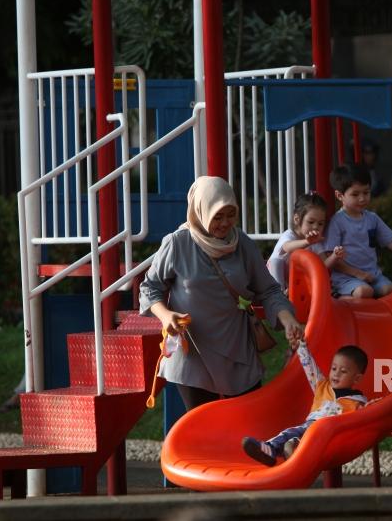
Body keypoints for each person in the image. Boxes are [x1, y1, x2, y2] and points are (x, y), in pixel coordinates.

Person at [139, 176, 304, 411]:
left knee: (247, 422)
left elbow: (268, 289)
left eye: (230, 214)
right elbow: (150, 288)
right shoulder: (178, 243)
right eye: (217, 216)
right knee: (202, 427)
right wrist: (165, 315)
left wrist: (287, 320)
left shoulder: (242, 244)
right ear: (201, 211)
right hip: (194, 350)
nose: (225, 223)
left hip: (237, 346)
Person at [241, 340, 368, 466]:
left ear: (356, 378)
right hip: (310, 429)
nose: (336, 373)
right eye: (334, 368)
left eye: (343, 371)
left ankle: (274, 449)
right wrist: (301, 346)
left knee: (297, 433)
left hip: (331, 434)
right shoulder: (322, 386)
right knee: (292, 436)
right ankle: (282, 452)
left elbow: (363, 419)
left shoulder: (357, 402)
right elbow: (310, 368)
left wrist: (367, 410)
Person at [323, 163, 392, 299]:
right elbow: (330, 256)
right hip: (347, 279)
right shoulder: (337, 222)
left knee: (391, 290)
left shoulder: (372, 219)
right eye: (355, 194)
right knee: (364, 292)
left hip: (372, 275)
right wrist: (358, 273)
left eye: (366, 192)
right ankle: (338, 296)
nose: (362, 198)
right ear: (340, 196)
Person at [267, 192, 346, 294]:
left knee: (313, 268)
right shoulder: (289, 234)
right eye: (311, 222)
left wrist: (334, 256)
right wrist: (307, 242)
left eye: (320, 223)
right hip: (276, 276)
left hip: (295, 280)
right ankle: (278, 295)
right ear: (297, 219)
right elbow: (287, 247)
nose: (315, 227)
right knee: (276, 262)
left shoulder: (315, 241)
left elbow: (323, 265)